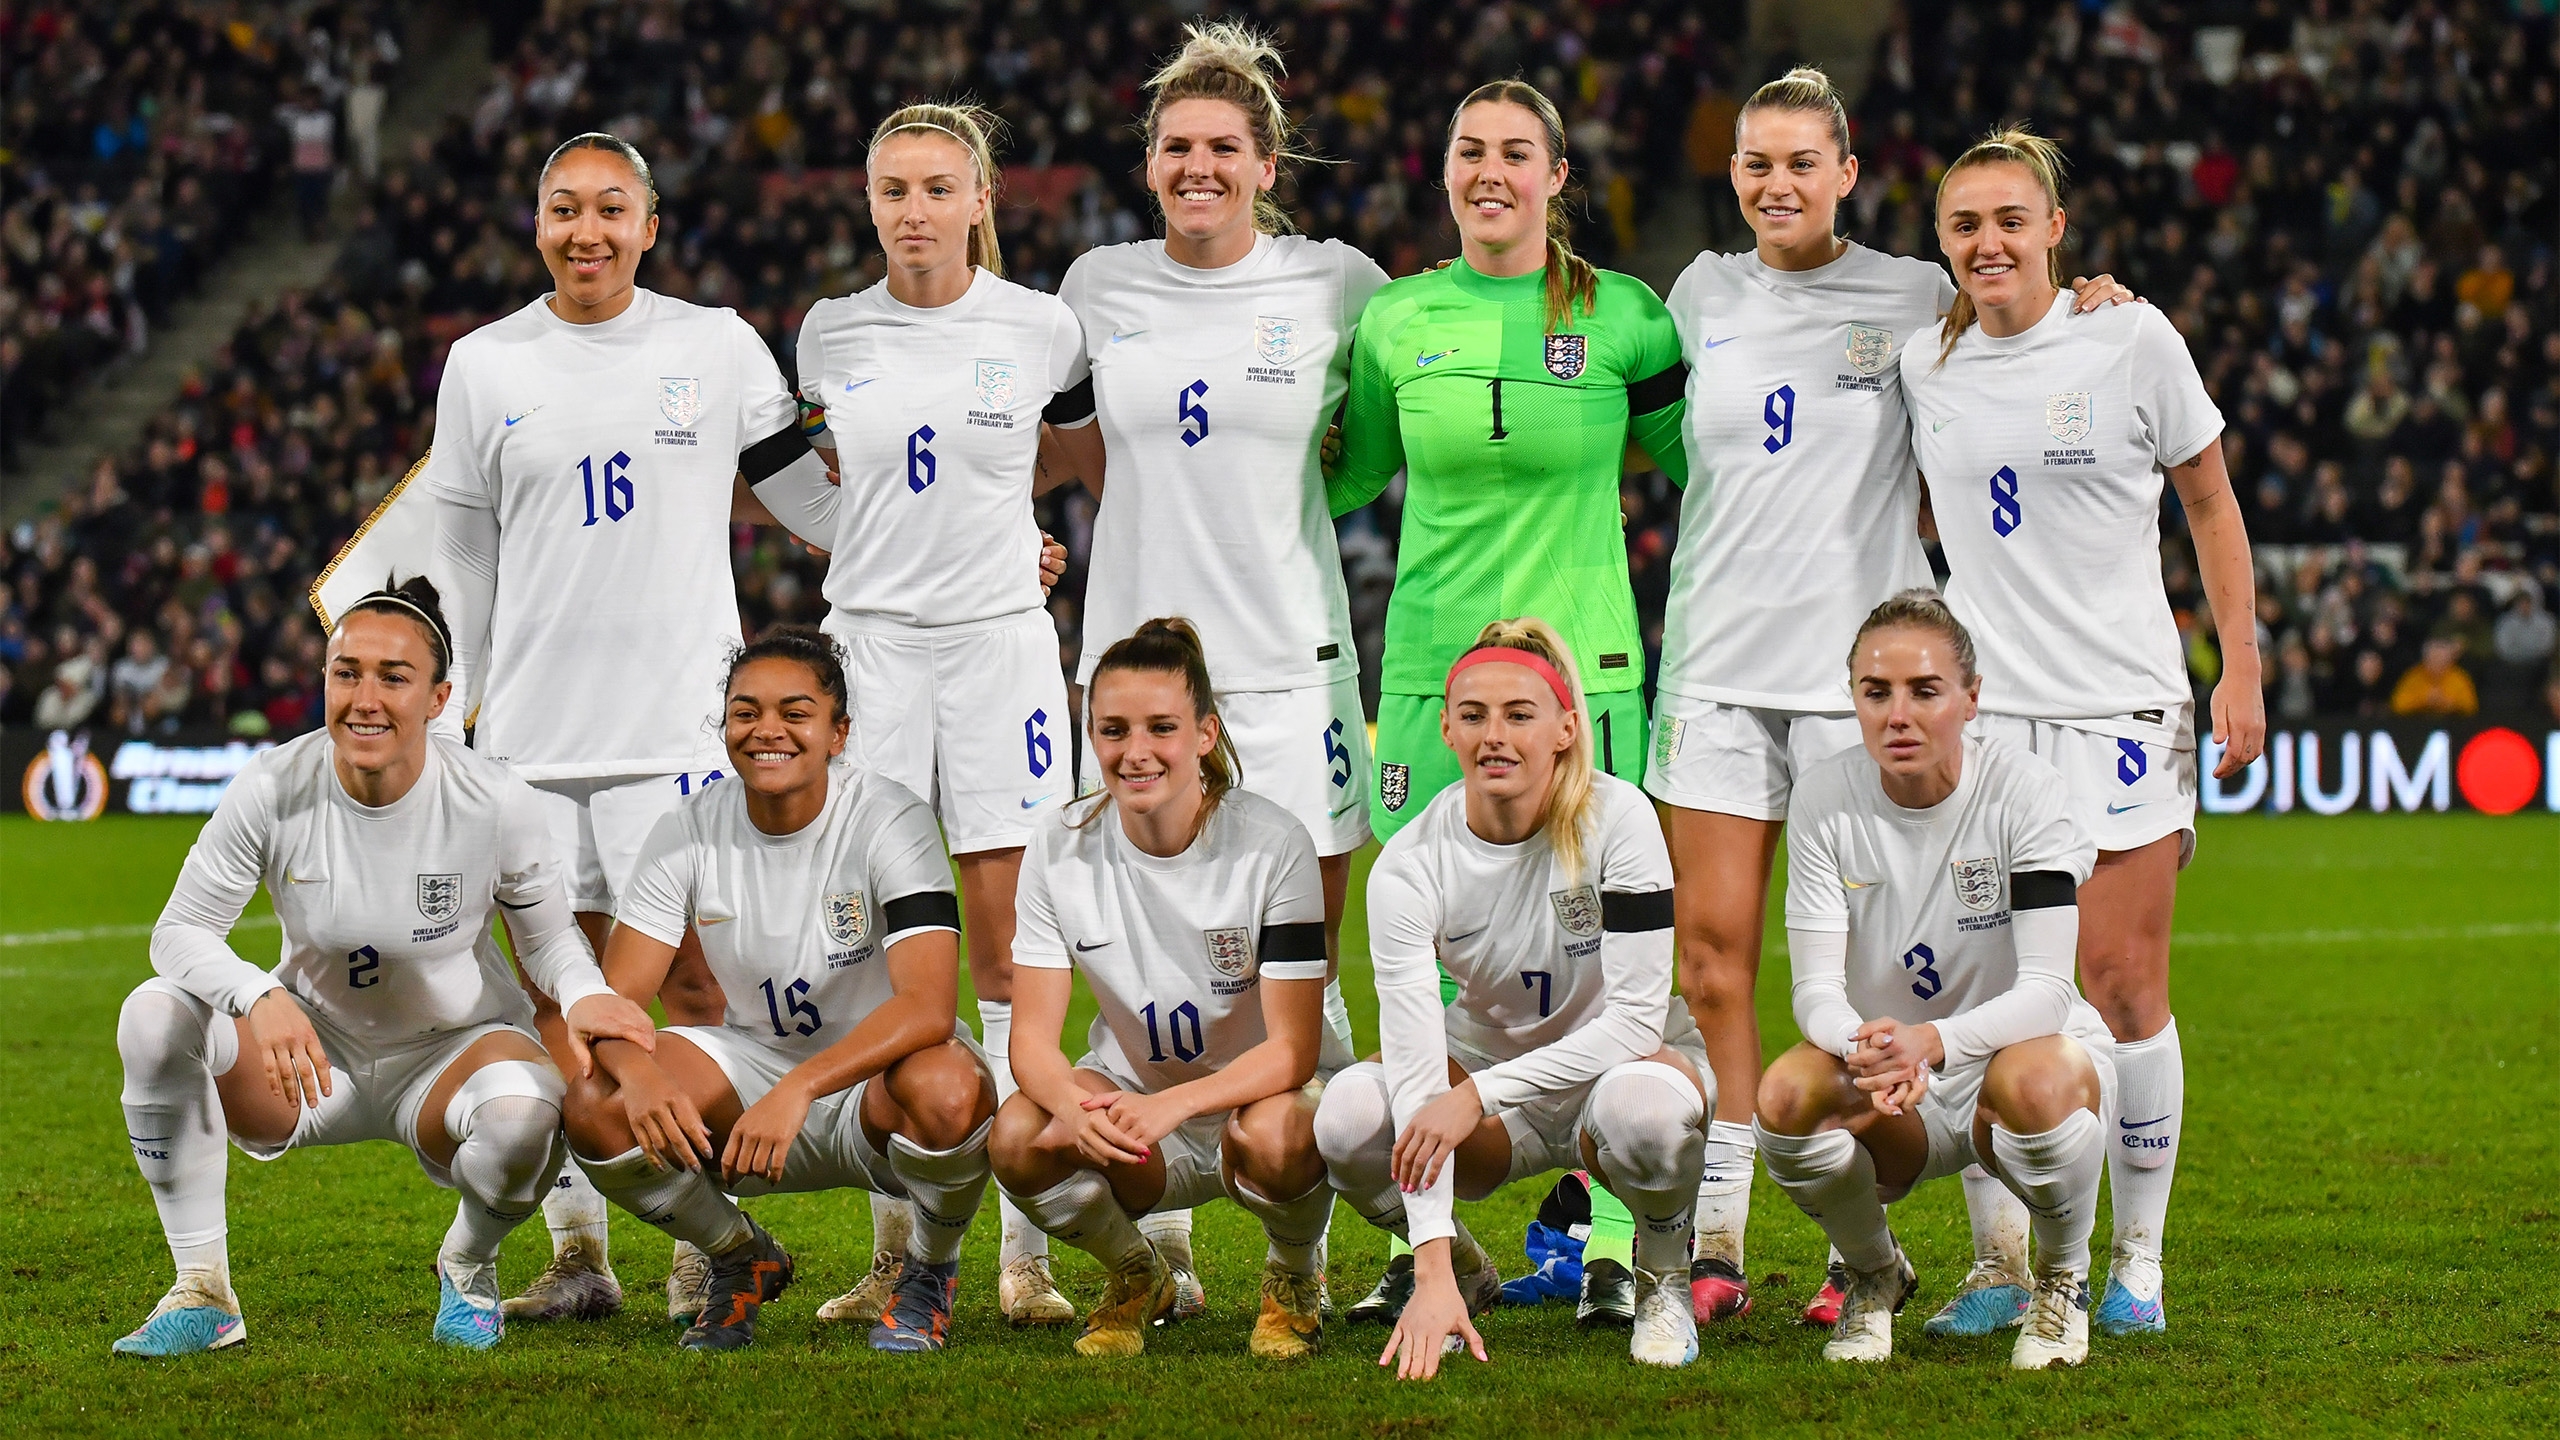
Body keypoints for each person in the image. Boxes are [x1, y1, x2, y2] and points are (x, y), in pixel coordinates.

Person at [1651, 68, 2133, 1332]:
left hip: (1852, 680)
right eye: (1757, 163)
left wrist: (2095, 309)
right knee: (1711, 967)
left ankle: (1979, 1254)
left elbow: (2019, 339)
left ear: (1847, 174)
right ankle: (1717, 1227)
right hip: (1708, 664)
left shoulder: (1917, 294)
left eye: (1802, 162)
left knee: (1917, 961)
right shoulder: (1695, 297)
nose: (1776, 184)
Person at [424, 131, 847, 1322]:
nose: (588, 231)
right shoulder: (485, 364)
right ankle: (580, 1254)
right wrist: (465, 714)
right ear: (538, 223)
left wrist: (936, 534)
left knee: (699, 991)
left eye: (612, 209)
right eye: (566, 209)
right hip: (534, 743)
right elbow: (462, 553)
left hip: (674, 732)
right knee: (555, 1002)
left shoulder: (711, 344)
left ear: (651, 226)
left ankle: (695, 1246)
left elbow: (798, 491)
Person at [1902, 126, 2266, 1338]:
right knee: (1980, 992)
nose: (1988, 242)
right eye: (1963, 226)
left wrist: (2241, 668)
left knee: (2118, 987)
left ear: (2056, 228)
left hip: (2118, 711)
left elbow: (2210, 502)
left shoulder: (2131, 337)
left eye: (2011, 219)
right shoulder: (1924, 362)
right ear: (1942, 244)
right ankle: (1998, 1263)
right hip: (1985, 728)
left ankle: (2138, 1264)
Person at [1050, 21, 1384, 1315]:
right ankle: (1165, 1248)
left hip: (1292, 674)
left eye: (1222, 147)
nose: (1199, 165)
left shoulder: (1337, 281)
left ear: (1265, 160)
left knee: (1303, 972)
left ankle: (1305, 1253)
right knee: (1138, 955)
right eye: (1177, 146)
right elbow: (1072, 452)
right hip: (1133, 676)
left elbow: (1388, 422)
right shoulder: (1095, 286)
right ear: (1150, 163)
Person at [110, 579, 654, 1355]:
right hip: (309, 1058)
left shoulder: (492, 796)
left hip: (451, 1053)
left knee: (523, 1116)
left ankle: (466, 1270)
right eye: (346, 672)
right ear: (324, 680)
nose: (365, 698)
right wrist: (258, 993)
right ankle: (202, 1291)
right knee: (153, 1014)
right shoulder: (272, 785)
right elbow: (180, 933)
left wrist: (587, 991)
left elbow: (546, 939)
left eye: (393, 677)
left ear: (438, 698)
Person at [791, 101, 1103, 1327]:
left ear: (982, 199)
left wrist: (1020, 542)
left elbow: (1079, 455)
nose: (912, 210)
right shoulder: (828, 331)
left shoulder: (1041, 327)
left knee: (1006, 939)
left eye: (936, 188)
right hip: (869, 651)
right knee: (878, 952)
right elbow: (803, 480)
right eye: (891, 190)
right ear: (866, 202)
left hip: (998, 653)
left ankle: (1027, 1256)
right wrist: (866, 542)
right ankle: (900, 1251)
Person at [562, 628, 998, 1353]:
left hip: (874, 1086)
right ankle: (739, 1257)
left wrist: (798, 1089)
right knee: (595, 1104)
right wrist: (638, 1074)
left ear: (838, 732)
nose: (768, 730)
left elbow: (928, 1006)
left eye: (795, 713)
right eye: (745, 712)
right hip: (750, 1072)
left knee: (950, 1088)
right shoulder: (686, 829)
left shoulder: (893, 818)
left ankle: (929, 1273)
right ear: (725, 727)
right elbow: (617, 1004)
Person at [1314, 618, 1715, 1378]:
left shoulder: (1621, 819)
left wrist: (1479, 1095)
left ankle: (1664, 1277)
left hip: (1622, 1068)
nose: (1494, 734)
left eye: (1519, 714)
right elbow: (1411, 1058)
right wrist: (1427, 1263)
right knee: (1348, 1118)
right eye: (1473, 715)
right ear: (1446, 728)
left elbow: (1635, 1020)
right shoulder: (1408, 866)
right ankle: (1459, 1268)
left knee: (1645, 1116)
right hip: (1495, 1093)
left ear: (1567, 726)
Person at [1328, 80, 1690, 842]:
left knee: (1590, 936)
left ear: (1556, 175)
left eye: (1515, 154)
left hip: (1584, 674)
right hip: (1436, 670)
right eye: (1472, 152)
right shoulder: (1395, 317)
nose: (1490, 171)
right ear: (1447, 171)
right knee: (1429, 944)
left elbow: (1709, 470)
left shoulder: (1626, 314)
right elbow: (1352, 478)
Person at [1761, 590, 2114, 1369]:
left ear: (1972, 698)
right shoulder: (1824, 796)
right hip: (1898, 1081)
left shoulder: (2027, 792)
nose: (1898, 714)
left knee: (2036, 1082)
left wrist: (1930, 1043)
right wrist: (1864, 1045)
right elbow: (1814, 988)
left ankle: (2062, 1279)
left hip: (2009, 1060)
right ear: (1851, 698)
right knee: (1785, 1097)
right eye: (1875, 692)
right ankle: (1876, 1275)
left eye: (1925, 691)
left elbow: (2050, 989)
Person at [993, 618, 1335, 1360]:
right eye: (1113, 730)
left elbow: (1294, 1050)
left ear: (1206, 734)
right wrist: (1069, 1107)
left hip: (1257, 1103)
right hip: (1135, 1107)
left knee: (1277, 1133)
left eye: (1161, 728)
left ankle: (1294, 1279)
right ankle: (1134, 1270)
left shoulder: (1272, 844)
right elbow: (1030, 1042)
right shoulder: (1059, 845)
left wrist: (1169, 1106)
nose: (1135, 751)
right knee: (1020, 1136)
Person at [2389, 635, 2479, 715]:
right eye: (2433, 658)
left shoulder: (2459, 677)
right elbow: (2397, 705)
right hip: (2417, 726)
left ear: (2450, 661)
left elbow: (2471, 707)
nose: (2437, 663)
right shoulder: (2413, 676)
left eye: (2441, 660)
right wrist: (2424, 700)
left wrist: (2449, 704)